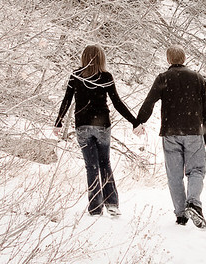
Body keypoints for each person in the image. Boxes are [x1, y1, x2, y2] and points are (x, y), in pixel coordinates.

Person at [54, 45, 142, 216]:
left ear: (84, 58)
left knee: (91, 166)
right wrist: (135, 122)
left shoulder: (75, 75)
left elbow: (66, 100)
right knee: (104, 163)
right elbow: (117, 103)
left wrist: (58, 122)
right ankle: (112, 204)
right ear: (101, 58)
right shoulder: (106, 77)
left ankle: (95, 207)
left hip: (82, 126)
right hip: (102, 125)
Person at [135, 45, 206, 228]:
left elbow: (149, 102)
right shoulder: (198, 78)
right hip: (193, 132)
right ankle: (193, 203)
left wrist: (139, 121)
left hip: (170, 133)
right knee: (196, 170)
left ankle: (181, 215)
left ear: (168, 60)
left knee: (174, 175)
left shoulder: (163, 78)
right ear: (184, 59)